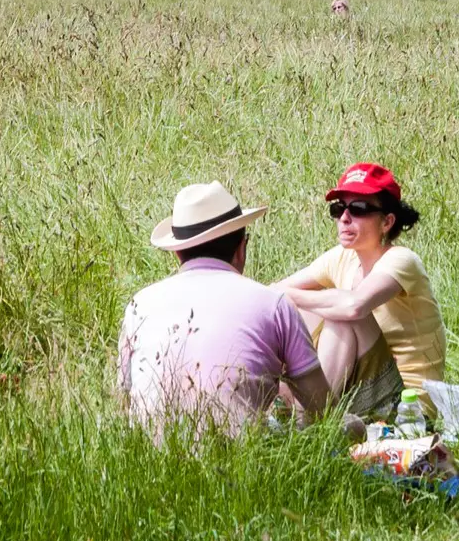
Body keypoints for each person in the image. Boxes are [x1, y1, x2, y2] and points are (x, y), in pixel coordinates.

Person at [117, 182, 326, 438]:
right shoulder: (274, 304)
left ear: (177, 254)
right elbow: (322, 411)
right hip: (241, 467)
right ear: (241, 249)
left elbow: (126, 401)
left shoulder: (139, 304)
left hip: (148, 465)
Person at [273, 165, 446, 417]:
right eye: (338, 208)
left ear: (387, 222)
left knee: (342, 316)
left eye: (358, 209)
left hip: (409, 408)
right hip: (362, 388)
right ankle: (281, 411)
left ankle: (306, 425)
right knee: (299, 311)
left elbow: (355, 306)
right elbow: (275, 292)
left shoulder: (402, 260)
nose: (344, 218)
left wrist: (289, 297)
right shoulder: (342, 258)